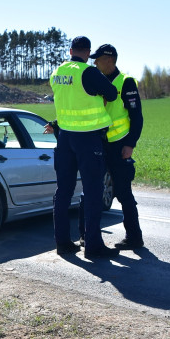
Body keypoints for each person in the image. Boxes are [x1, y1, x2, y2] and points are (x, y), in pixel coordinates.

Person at [49, 35, 119, 259]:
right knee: (92, 190)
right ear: (88, 53)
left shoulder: (57, 72)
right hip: (88, 138)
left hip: (65, 137)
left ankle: (63, 243)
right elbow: (111, 93)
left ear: (70, 51)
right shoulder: (88, 72)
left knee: (63, 191)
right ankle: (93, 245)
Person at [88, 44, 144, 250]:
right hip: (101, 144)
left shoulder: (126, 82)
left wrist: (130, 144)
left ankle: (134, 237)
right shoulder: (98, 83)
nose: (94, 62)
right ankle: (90, 237)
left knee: (123, 193)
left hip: (120, 146)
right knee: (94, 190)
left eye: (98, 59)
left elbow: (137, 117)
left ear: (109, 60)